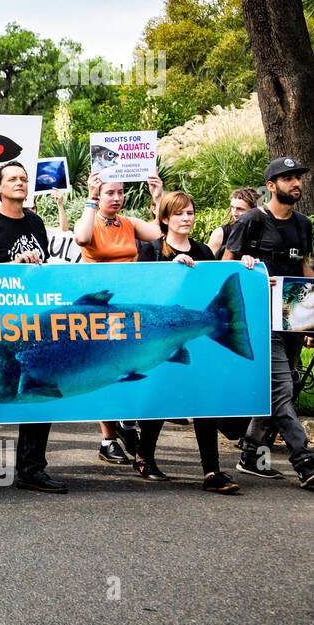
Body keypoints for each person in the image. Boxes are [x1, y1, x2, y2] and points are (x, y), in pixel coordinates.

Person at [0, 161, 66, 493]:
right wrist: (12, 265)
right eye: (13, 179)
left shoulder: (36, 222)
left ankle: (31, 467)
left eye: (24, 178)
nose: (20, 183)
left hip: (34, 322)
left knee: (38, 386)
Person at [130, 190, 240, 492]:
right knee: (162, 395)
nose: (186, 218)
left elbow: (215, 285)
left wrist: (248, 267)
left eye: (190, 212)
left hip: (194, 336)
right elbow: (139, 294)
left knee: (203, 399)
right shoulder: (151, 251)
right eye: (179, 213)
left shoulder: (204, 251)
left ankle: (212, 471)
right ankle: (144, 455)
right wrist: (169, 270)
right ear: (165, 218)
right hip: (159, 341)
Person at [223, 157, 314, 489]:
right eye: (288, 178)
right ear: (272, 186)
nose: (296, 183)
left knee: (283, 383)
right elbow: (226, 268)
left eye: (298, 178)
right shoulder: (251, 221)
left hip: (293, 317)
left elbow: (304, 269)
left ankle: (251, 454)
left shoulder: (303, 224)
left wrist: (311, 322)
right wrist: (246, 266)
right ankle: (305, 460)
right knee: (281, 388)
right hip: (260, 318)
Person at [73, 170, 166, 464]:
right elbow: (81, 237)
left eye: (120, 192)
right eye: (109, 193)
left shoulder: (128, 223)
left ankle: (125, 423)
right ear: (99, 196)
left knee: (129, 365)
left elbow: (161, 234)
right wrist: (89, 200)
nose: (116, 198)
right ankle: (108, 439)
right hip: (99, 309)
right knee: (105, 370)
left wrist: (158, 198)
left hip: (127, 307)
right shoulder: (93, 220)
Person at [208, 187, 259, 258]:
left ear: (254, 211)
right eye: (232, 207)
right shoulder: (220, 233)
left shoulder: (263, 232)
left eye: (240, 209)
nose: (234, 213)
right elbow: (209, 265)